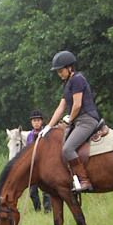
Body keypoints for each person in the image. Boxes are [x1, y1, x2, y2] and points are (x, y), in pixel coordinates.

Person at [39, 50, 101, 192]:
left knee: (68, 149)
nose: (59, 74)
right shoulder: (67, 84)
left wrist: (69, 119)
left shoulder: (78, 79)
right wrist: (48, 126)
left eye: (61, 71)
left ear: (70, 67)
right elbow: (61, 108)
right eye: (58, 72)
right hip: (76, 121)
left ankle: (84, 180)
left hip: (87, 120)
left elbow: (77, 104)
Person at [26, 110, 51, 212]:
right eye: (34, 121)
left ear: (42, 122)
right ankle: (37, 209)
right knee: (32, 190)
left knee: (46, 190)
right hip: (33, 166)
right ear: (31, 123)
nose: (36, 122)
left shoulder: (46, 133)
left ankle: (47, 209)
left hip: (45, 165)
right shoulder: (29, 136)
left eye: (38, 120)